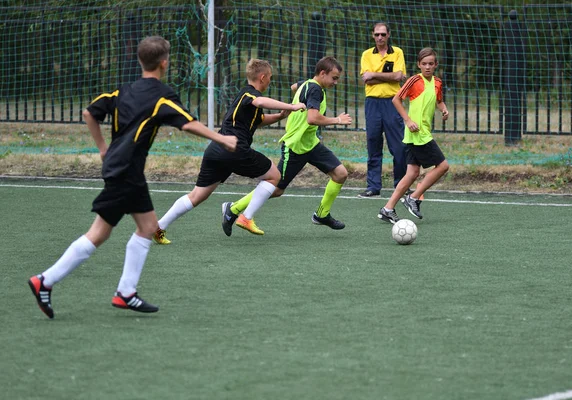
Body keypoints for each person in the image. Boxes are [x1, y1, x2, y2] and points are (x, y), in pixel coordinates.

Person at [27, 36, 238, 319]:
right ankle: (46, 280)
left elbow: (89, 113)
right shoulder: (162, 96)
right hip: (126, 172)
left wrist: (103, 148)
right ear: (165, 63)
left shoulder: (122, 91)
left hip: (122, 169)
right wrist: (222, 139)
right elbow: (188, 123)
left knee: (148, 227)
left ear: (140, 61)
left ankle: (125, 291)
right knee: (99, 234)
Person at [152, 59, 306, 242]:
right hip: (234, 147)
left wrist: (280, 116)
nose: (270, 82)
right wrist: (291, 106)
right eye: (270, 78)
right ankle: (246, 217)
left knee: (197, 195)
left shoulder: (243, 97)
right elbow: (260, 102)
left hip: (216, 149)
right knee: (274, 176)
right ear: (262, 77)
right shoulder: (251, 95)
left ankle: (158, 227)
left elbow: (260, 119)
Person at [221, 56, 352, 235]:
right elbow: (312, 119)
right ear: (322, 73)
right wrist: (338, 120)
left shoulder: (306, 84)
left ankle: (322, 214)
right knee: (275, 189)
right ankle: (234, 208)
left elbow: (294, 87)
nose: (335, 82)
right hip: (295, 146)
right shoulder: (316, 90)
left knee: (340, 174)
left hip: (310, 144)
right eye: (334, 78)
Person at [378, 47, 449, 223]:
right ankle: (414, 198)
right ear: (418, 65)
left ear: (436, 65)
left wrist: (444, 109)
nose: (427, 67)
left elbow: (438, 100)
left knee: (412, 173)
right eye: (424, 64)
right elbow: (396, 99)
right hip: (418, 134)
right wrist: (408, 120)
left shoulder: (437, 83)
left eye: (430, 64)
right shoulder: (413, 81)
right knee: (443, 166)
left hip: (420, 133)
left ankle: (387, 209)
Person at [358, 22, 408, 198]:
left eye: (383, 34)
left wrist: (375, 75)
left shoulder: (398, 52)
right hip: (373, 103)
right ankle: (373, 186)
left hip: (393, 103)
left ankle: (401, 185)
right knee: (373, 144)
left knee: (399, 147)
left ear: (388, 35)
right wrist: (390, 78)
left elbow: (399, 76)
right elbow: (367, 80)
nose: (380, 37)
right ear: (372, 35)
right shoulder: (366, 55)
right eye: (377, 34)